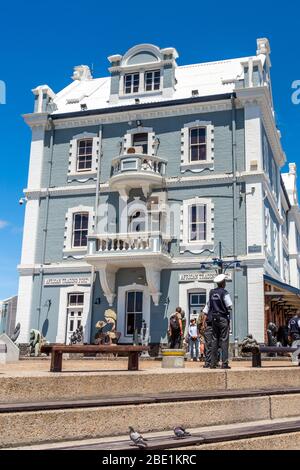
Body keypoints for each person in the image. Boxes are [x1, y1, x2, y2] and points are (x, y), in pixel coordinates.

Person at [204, 273, 233, 369]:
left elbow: (209, 306)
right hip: (223, 318)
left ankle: (212, 363)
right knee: (224, 340)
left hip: (214, 319)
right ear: (223, 283)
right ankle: (224, 363)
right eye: (225, 282)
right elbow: (229, 305)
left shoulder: (211, 292)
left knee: (214, 340)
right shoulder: (224, 292)